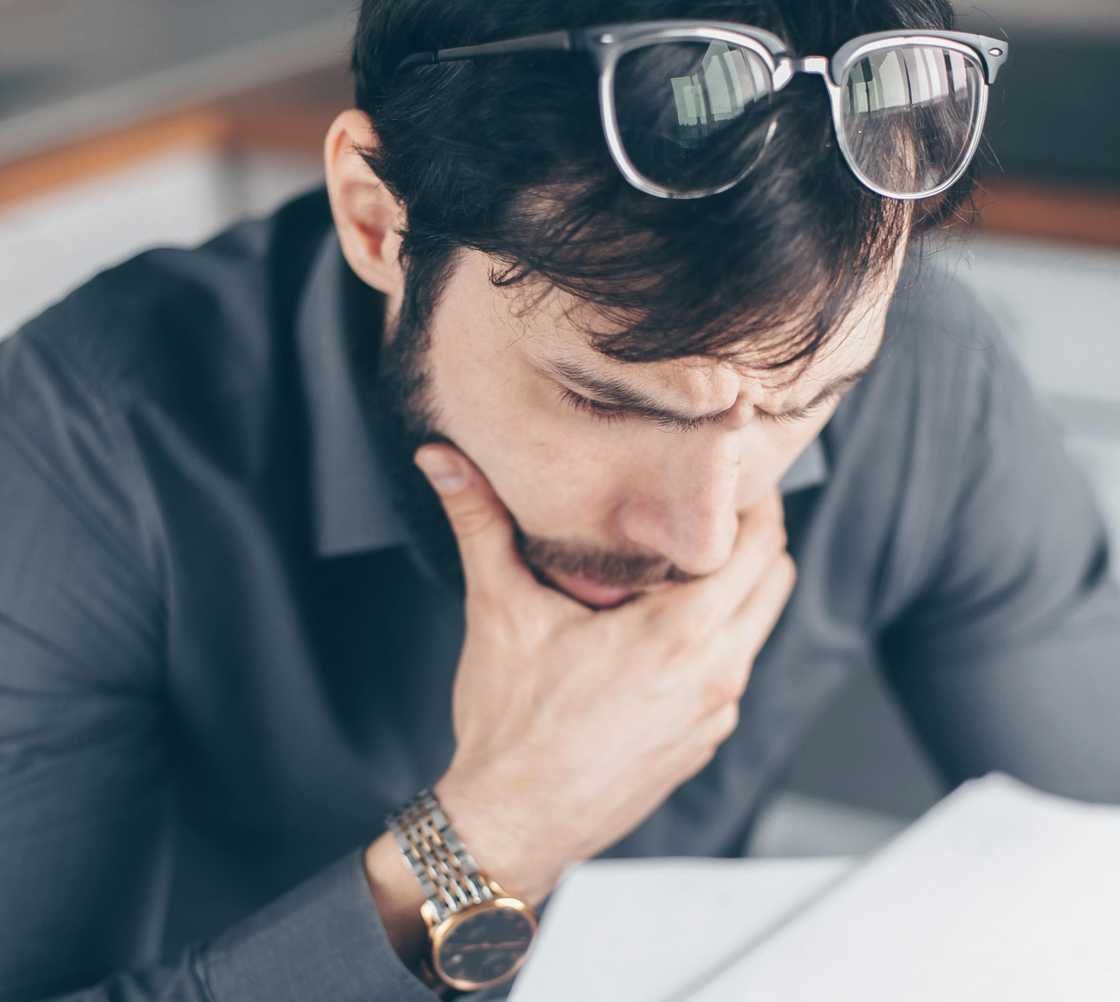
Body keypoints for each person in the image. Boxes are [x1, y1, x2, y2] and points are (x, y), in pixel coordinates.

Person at [1, 0, 1116, 999]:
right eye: (607, 402)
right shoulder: (87, 436)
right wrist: (485, 840)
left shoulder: (933, 384)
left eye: (804, 404)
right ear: (378, 221)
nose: (701, 533)